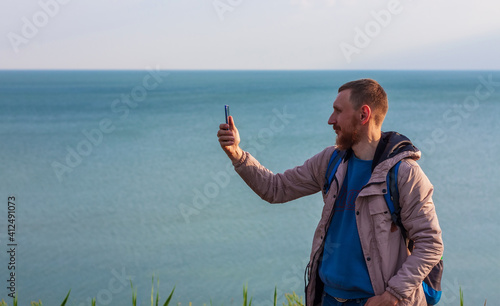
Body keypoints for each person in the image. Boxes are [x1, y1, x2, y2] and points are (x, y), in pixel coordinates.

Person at [217, 79, 443, 306]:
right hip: (328, 298)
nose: (330, 120)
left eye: (338, 111)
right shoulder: (331, 161)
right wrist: (236, 153)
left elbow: (431, 244)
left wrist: (393, 295)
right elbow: (276, 188)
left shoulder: (405, 174)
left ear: (363, 115)